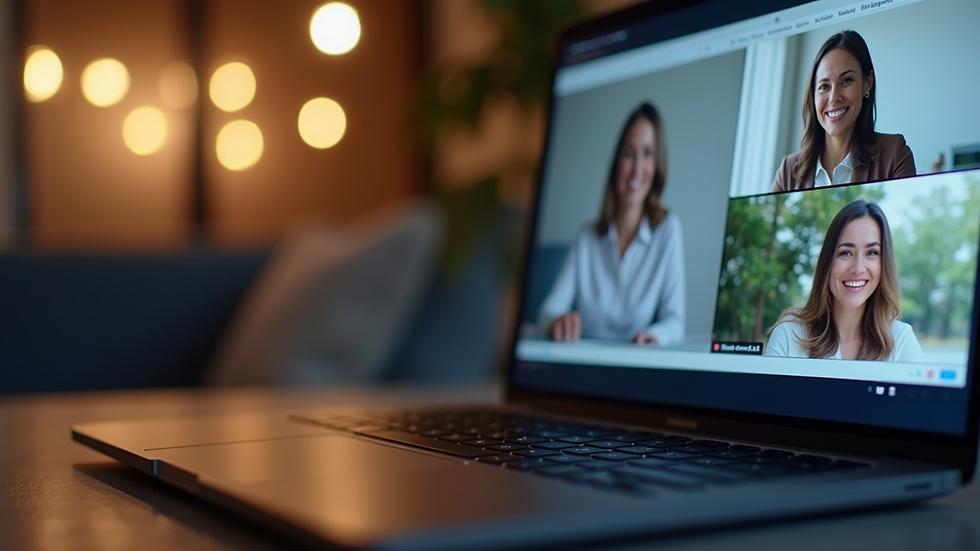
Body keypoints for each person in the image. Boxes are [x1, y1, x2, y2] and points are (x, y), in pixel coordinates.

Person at [538, 102, 685, 345]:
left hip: (635, 366)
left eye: (648, 153)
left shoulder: (668, 229)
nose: (637, 168)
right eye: (629, 153)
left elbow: (675, 321)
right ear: (617, 162)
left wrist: (655, 336)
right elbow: (548, 310)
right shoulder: (587, 237)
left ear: (657, 165)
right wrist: (556, 321)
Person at [765, 199, 921, 361]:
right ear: (827, 262)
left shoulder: (902, 340)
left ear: (884, 264)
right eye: (846, 253)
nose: (858, 268)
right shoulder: (789, 336)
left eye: (872, 253)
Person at [771, 30, 915, 192]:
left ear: (867, 83)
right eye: (824, 86)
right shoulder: (788, 171)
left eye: (846, 81)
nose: (834, 98)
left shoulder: (895, 155)